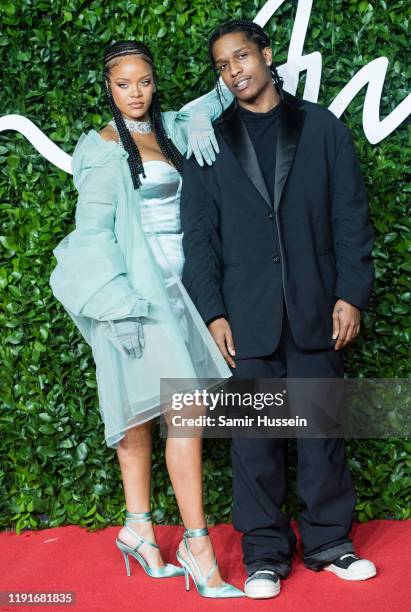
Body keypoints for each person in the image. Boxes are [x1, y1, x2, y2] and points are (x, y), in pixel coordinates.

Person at [180, 19, 377, 599]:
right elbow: (199, 240)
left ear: (266, 56)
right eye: (222, 65)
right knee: (255, 444)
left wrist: (351, 293)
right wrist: (214, 313)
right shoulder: (207, 143)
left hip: (317, 306)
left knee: (321, 436)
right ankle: (265, 555)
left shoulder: (322, 129)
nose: (234, 71)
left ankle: (329, 544)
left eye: (241, 57)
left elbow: (350, 220)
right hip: (247, 317)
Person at [50, 40, 244, 599]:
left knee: (144, 416)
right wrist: (116, 306)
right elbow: (90, 237)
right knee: (180, 413)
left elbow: (222, 94)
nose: (135, 93)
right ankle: (199, 547)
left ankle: (138, 528)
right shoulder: (104, 151)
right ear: (108, 89)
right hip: (136, 299)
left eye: (144, 82)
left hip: (181, 293)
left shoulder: (172, 132)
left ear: (154, 83)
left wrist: (205, 110)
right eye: (123, 84)